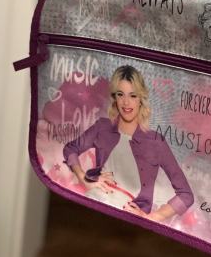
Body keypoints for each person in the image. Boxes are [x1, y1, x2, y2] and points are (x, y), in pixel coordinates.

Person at [63, 65, 193, 223]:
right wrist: (83, 178)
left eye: (133, 95)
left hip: (129, 219)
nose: (126, 102)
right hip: (96, 202)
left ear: (141, 99)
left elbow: (186, 195)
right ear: (115, 98)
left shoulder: (156, 141)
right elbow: (70, 149)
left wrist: (151, 217)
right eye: (120, 94)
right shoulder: (102, 127)